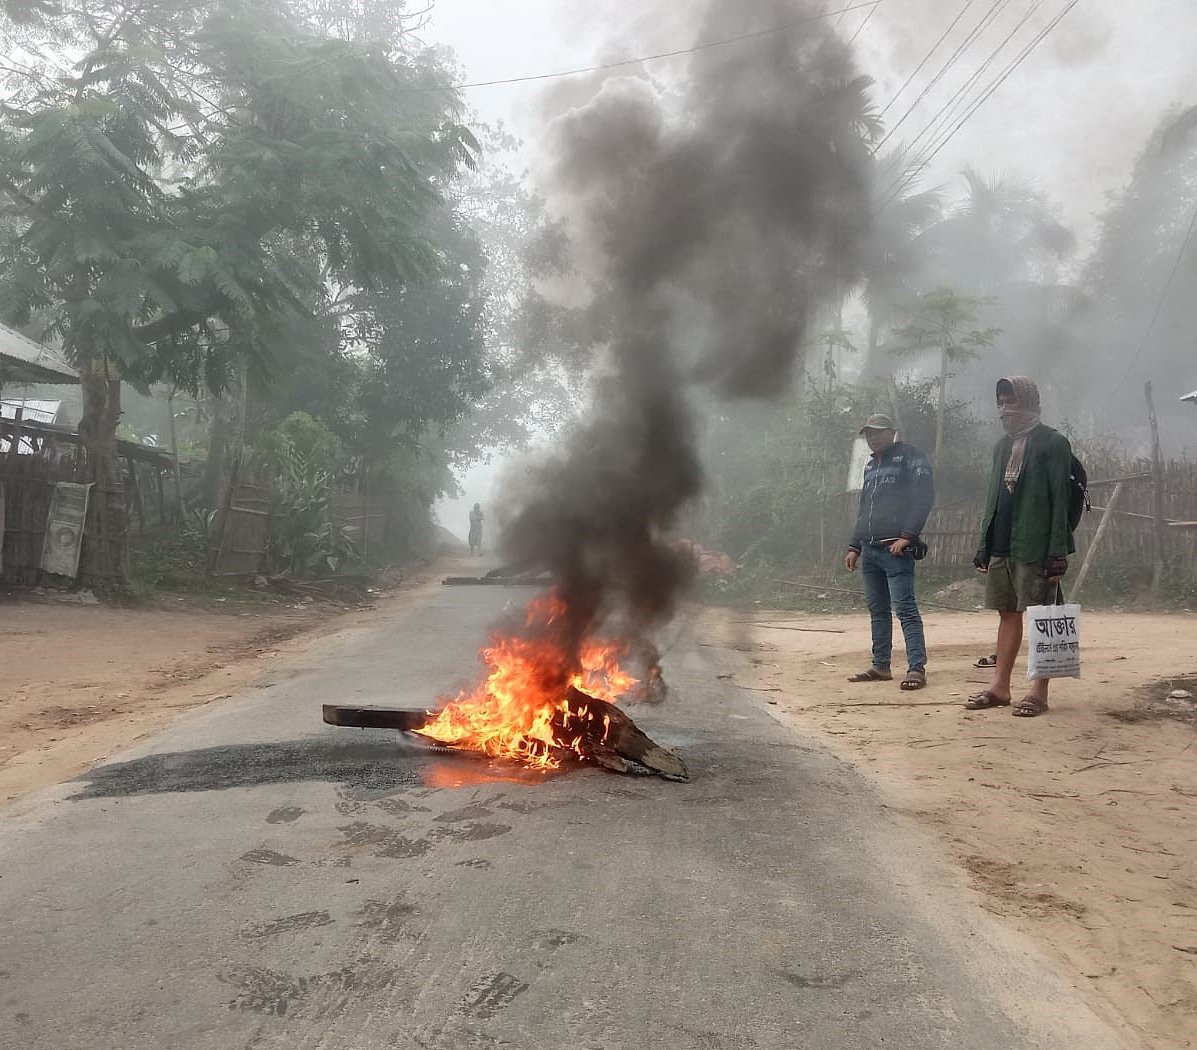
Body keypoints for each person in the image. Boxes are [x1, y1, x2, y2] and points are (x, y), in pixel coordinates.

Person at [968, 376, 1074, 718]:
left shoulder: (1054, 443)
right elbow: (993, 498)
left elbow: (1061, 500)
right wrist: (985, 544)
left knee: (1043, 616)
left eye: (1011, 401)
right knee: (1007, 612)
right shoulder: (1001, 447)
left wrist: (1058, 551)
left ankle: (1039, 691)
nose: (1004, 409)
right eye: (1000, 402)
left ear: (1028, 401)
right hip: (1003, 543)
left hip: (1036, 544)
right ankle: (1000, 686)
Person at [844, 413, 935, 690]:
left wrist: (908, 536)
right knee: (878, 610)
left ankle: (916, 668)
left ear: (892, 432)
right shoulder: (871, 466)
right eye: (869, 434)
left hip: (895, 550)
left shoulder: (910, 457)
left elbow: (924, 497)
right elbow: (864, 508)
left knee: (905, 609)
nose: (873, 438)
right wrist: (854, 546)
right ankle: (880, 665)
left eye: (878, 432)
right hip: (870, 549)